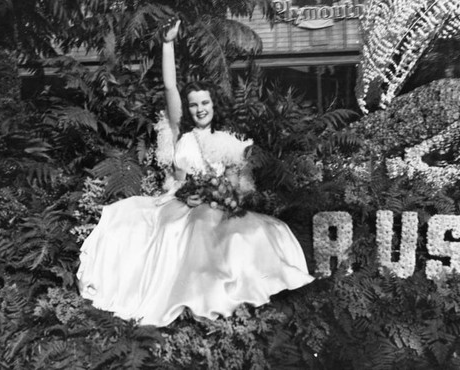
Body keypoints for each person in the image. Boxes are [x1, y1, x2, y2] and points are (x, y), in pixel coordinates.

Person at [76, 19, 314, 327]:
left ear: (214, 105)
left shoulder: (228, 142)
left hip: (214, 204)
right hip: (178, 202)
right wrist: (167, 43)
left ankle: (219, 305)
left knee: (244, 232)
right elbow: (170, 87)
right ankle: (192, 304)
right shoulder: (181, 134)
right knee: (171, 228)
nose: (199, 109)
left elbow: (237, 184)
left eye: (205, 103)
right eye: (194, 105)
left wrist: (223, 193)